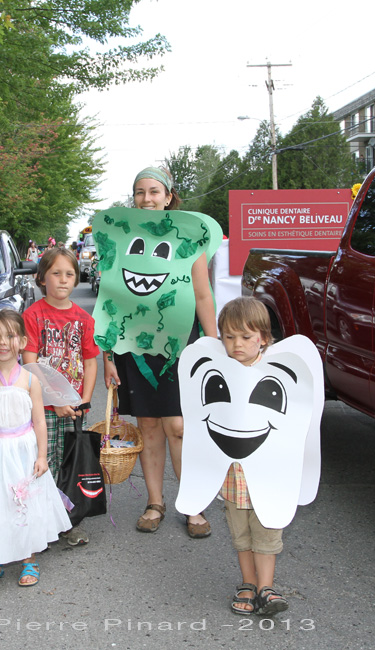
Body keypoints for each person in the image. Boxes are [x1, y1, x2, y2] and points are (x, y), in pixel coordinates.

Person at [102, 166, 217, 537]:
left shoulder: (187, 239)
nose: (147, 199)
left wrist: (213, 344)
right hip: (132, 346)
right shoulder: (120, 241)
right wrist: (107, 355)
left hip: (179, 344)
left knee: (180, 427)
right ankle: (155, 502)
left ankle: (192, 503)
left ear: (169, 196)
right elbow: (111, 302)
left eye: (154, 192)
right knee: (149, 426)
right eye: (140, 192)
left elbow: (202, 295)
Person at [0, 310, 72, 588]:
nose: (3, 342)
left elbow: (39, 420)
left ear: (22, 341)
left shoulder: (30, 380)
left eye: (10, 335)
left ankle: (28, 557)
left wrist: (41, 456)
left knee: (25, 503)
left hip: (23, 450)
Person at [215, 297, 289, 616]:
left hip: (268, 474)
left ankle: (265, 588)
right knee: (241, 534)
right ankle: (247, 582)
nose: (237, 344)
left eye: (246, 337)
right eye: (229, 337)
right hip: (232, 474)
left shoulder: (279, 374)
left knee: (267, 531)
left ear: (264, 338)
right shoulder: (217, 375)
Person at [21, 247, 99, 546]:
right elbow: (29, 362)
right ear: (42, 278)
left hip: (75, 407)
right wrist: (54, 400)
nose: (63, 280)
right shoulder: (33, 315)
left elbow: (90, 361)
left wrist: (84, 400)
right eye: (56, 273)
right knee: (43, 460)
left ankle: (68, 521)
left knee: (70, 463)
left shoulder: (83, 318)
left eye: (69, 274)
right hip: (43, 407)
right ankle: (41, 518)